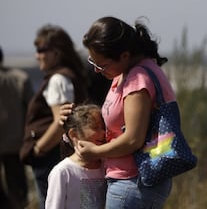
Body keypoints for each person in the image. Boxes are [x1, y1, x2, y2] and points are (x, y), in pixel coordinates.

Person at [70, 16, 175, 208]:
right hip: (129, 181)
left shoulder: (137, 80)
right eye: (93, 62)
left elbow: (133, 139)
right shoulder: (125, 72)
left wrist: (95, 152)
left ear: (124, 56)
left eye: (102, 65)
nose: (97, 71)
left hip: (133, 182)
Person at [19, 25, 88, 209]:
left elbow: (61, 123)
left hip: (50, 157)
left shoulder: (58, 79)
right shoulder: (71, 76)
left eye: (41, 50)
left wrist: (38, 149)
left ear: (56, 53)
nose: (37, 55)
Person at [45, 104, 106, 209]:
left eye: (104, 127)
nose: (103, 133)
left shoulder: (106, 165)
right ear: (74, 135)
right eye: (95, 128)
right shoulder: (63, 172)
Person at [0, 46, 34, 208]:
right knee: (18, 189)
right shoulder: (20, 78)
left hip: (11, 141)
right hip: (15, 141)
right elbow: (32, 109)